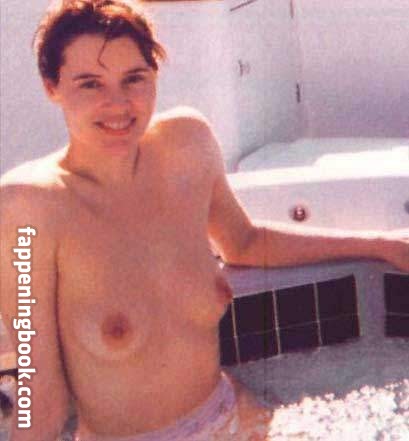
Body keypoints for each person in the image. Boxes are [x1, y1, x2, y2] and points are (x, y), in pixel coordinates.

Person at [0, 1, 408, 440]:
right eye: (90, 84)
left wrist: (381, 244)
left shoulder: (186, 145)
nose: (117, 104)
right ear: (52, 87)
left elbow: (245, 243)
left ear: (155, 74)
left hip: (236, 416)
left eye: (134, 78)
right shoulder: (28, 208)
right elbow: (40, 393)